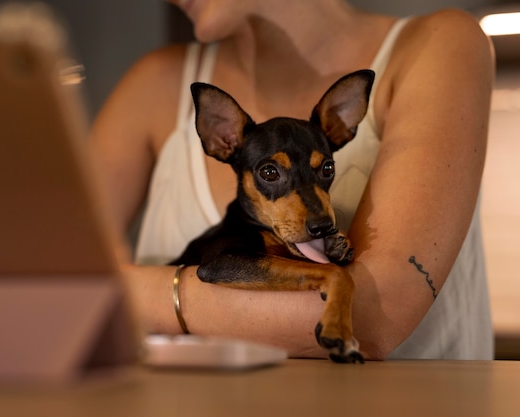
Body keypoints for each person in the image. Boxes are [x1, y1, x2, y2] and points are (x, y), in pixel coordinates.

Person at [89, 0, 494, 360]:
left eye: (325, 171)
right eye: (270, 173)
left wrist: (121, 294)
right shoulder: (152, 82)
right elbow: (54, 282)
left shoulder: (438, 45)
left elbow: (372, 316)